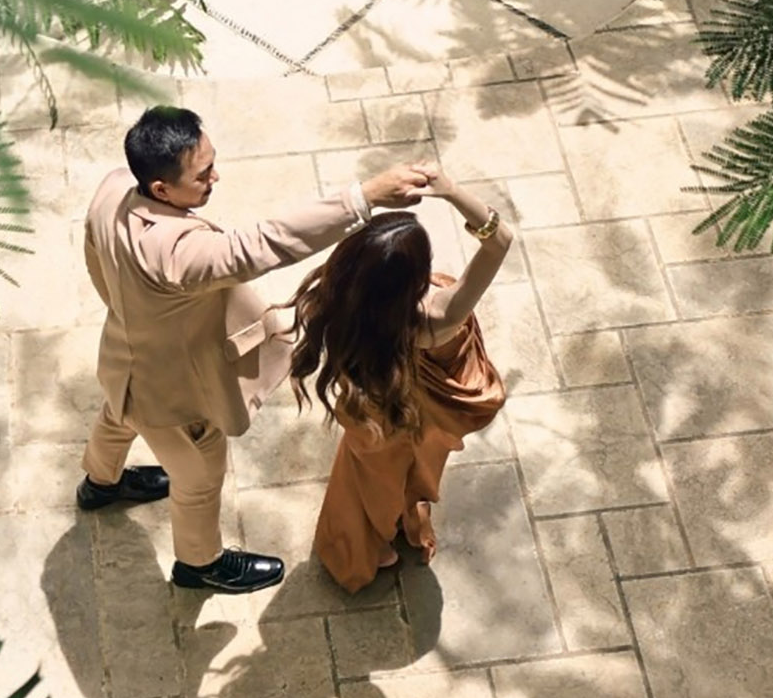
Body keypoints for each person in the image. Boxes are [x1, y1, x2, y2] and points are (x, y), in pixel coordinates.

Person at [78, 105, 433, 594]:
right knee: (200, 475)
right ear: (161, 189)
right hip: (170, 393)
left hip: (122, 356)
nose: (215, 177)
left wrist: (132, 314)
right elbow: (264, 243)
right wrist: (364, 197)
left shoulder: (113, 188)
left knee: (118, 413)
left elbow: (95, 259)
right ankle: (199, 564)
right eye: (203, 174)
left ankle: (99, 483)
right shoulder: (178, 254)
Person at [288, 169, 514, 592]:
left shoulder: (344, 296)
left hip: (375, 406)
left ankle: (374, 540)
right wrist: (451, 192)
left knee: (371, 474)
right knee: (408, 467)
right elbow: (499, 240)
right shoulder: (438, 315)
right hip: (421, 409)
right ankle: (383, 535)